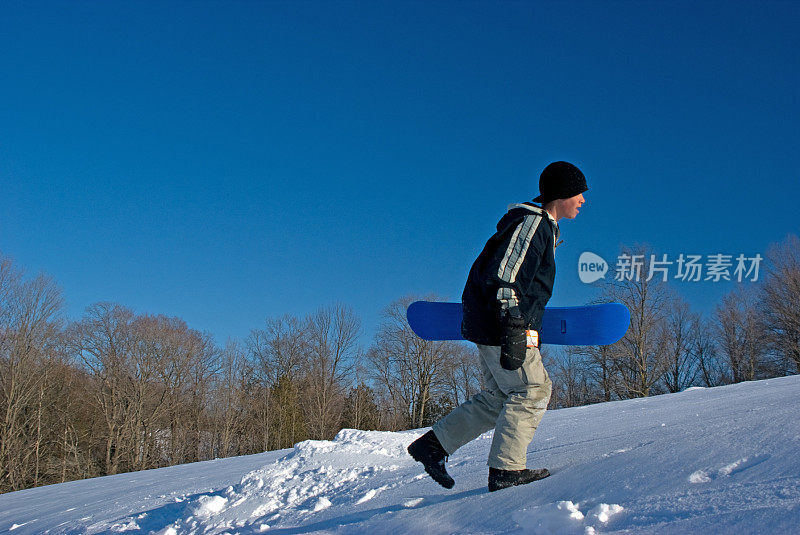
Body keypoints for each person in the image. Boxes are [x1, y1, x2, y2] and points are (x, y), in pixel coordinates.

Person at [407, 161, 588, 492]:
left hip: (491, 323)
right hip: (502, 324)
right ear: (562, 193)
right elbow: (502, 274)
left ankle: (433, 446)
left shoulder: (539, 228)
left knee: (499, 398)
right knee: (532, 390)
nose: (582, 200)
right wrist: (514, 323)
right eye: (579, 193)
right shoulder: (533, 225)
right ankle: (506, 470)